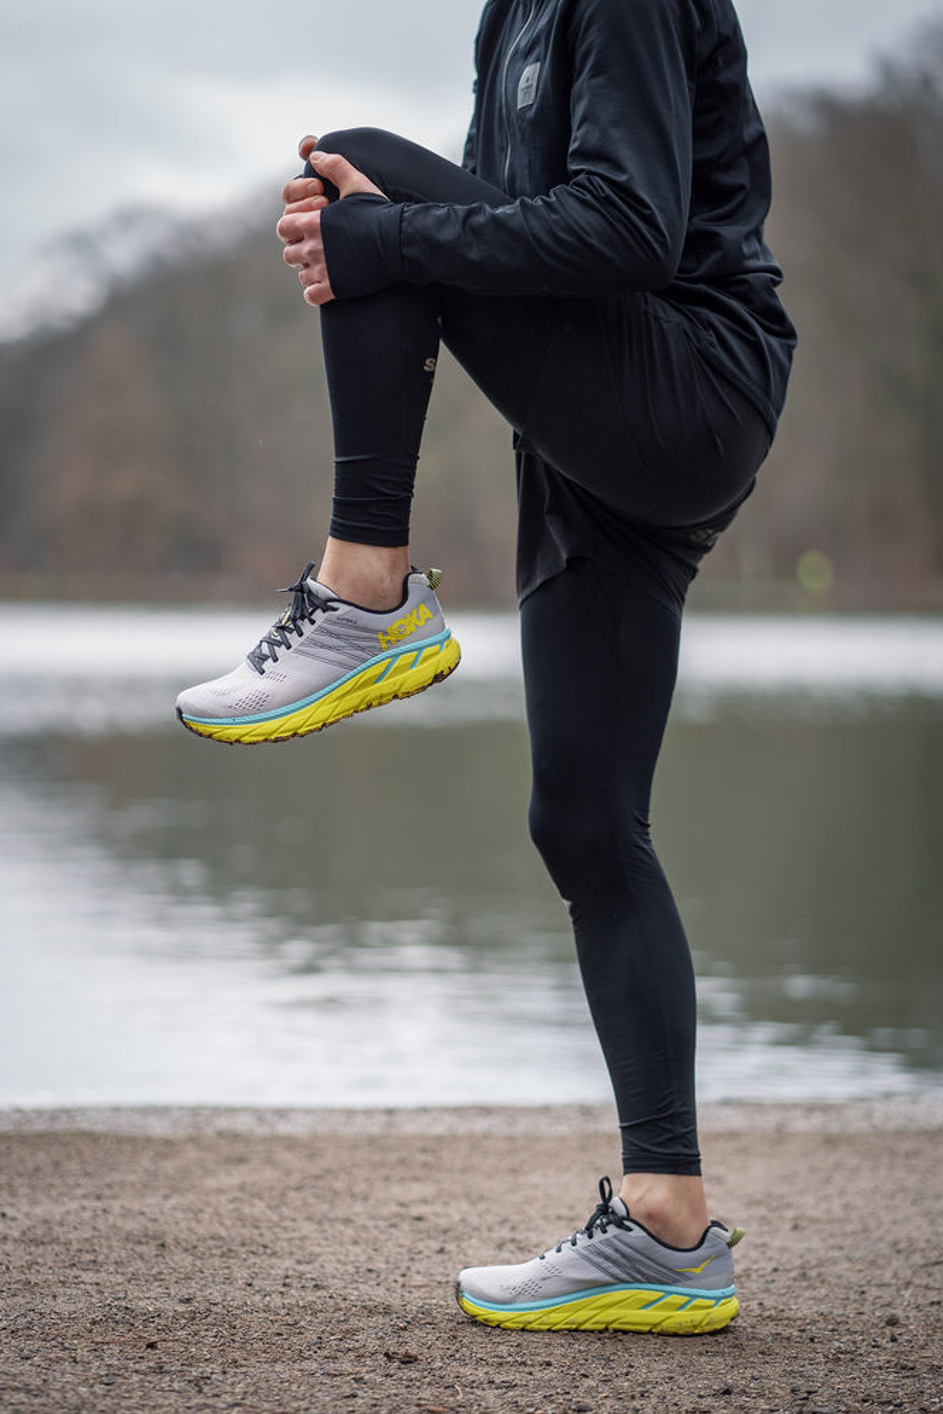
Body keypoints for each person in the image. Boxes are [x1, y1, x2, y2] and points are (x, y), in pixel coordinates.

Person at [177, 0, 795, 1332]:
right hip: (593, 439)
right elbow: (509, 244)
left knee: (365, 172)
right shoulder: (509, 16)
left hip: (689, 383)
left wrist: (383, 237)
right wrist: (383, 246)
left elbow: (628, 227)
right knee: (584, 821)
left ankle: (366, 590)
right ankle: (667, 1225)